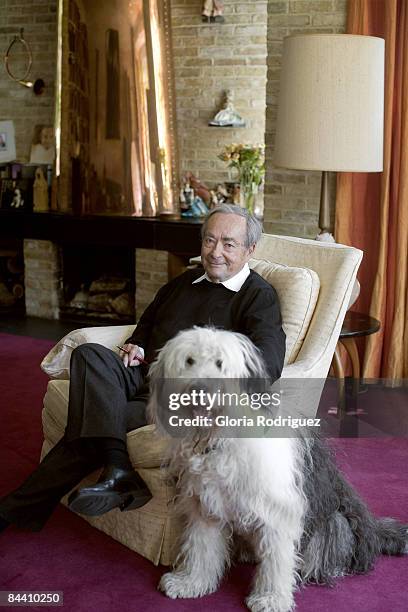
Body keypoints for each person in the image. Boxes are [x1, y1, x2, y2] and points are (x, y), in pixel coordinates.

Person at [0, 205, 286, 532]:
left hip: (178, 398)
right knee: (89, 355)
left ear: (250, 249)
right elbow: (149, 321)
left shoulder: (258, 297)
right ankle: (119, 468)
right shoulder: (185, 281)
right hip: (138, 372)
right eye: (209, 241)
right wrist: (137, 343)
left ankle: (14, 511)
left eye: (228, 244)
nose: (215, 252)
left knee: (93, 423)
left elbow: (268, 364)